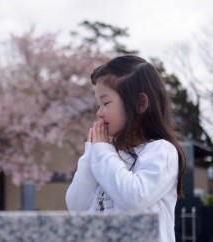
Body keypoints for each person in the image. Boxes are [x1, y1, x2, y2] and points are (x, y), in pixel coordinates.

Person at [65, 55, 186, 242]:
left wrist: (103, 152)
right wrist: (92, 153)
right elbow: (76, 206)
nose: (99, 112)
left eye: (106, 103)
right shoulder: (106, 154)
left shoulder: (162, 151)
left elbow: (134, 197)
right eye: (98, 105)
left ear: (140, 103)